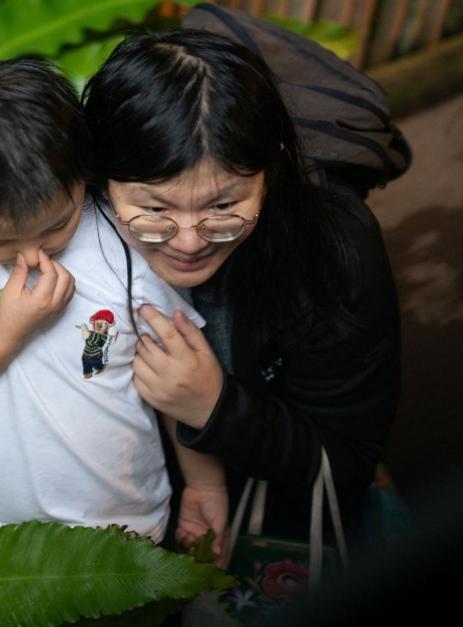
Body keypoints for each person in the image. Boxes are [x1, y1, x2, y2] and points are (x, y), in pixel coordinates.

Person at [0, 57, 227, 549]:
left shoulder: (120, 232)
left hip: (125, 528)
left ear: (84, 176)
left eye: (58, 225)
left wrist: (205, 484)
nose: (33, 257)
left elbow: (176, 375)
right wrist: (7, 332)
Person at [80, 29, 401, 550]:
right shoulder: (63, 227)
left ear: (272, 167)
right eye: (155, 208)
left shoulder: (334, 252)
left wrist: (216, 408)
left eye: (224, 205)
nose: (188, 242)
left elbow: (348, 458)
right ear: (99, 180)